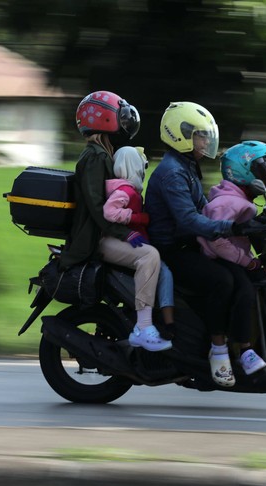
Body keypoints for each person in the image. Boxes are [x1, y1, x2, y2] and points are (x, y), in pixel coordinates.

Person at [145, 101, 252, 387]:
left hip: (188, 245)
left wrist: (241, 217)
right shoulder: (172, 172)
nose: (205, 141)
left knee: (241, 275)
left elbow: (204, 208)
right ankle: (218, 352)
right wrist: (230, 226)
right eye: (200, 135)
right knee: (221, 281)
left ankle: (245, 349)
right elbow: (188, 220)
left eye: (205, 135)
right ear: (180, 135)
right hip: (172, 250)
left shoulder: (187, 166)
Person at [63, 90, 171, 352]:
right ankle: (143, 327)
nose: (123, 124)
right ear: (104, 119)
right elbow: (97, 206)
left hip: (106, 233)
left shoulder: (103, 155)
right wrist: (126, 234)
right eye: (119, 117)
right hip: (98, 238)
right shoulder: (95, 157)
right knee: (149, 256)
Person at [197, 141, 266, 376]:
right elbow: (217, 241)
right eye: (260, 170)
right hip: (218, 259)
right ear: (243, 171)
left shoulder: (239, 199)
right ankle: (244, 350)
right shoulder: (227, 203)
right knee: (244, 290)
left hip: (232, 258)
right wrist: (248, 262)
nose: (265, 176)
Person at [104, 146, 177, 340]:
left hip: (124, 239)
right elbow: (109, 212)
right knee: (151, 257)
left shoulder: (129, 190)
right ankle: (145, 324)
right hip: (114, 241)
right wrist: (138, 218)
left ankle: (163, 321)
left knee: (164, 270)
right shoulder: (125, 190)